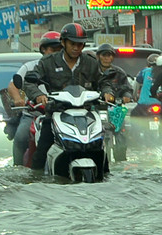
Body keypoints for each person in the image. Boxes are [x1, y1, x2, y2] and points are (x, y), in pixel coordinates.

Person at [22, 23, 107, 171]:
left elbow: (104, 82)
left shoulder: (91, 63)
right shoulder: (48, 62)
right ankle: (35, 181)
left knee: (100, 150)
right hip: (56, 114)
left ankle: (105, 179)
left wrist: (108, 93)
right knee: (41, 152)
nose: (76, 48)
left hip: (86, 116)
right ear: (63, 42)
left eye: (80, 45)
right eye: (72, 44)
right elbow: (29, 83)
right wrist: (39, 95)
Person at [6, 31, 61, 165]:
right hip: (33, 114)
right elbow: (13, 86)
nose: (56, 53)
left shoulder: (66, 68)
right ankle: (17, 167)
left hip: (60, 114)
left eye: (60, 50)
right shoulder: (30, 67)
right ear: (43, 49)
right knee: (20, 137)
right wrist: (18, 98)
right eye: (53, 49)